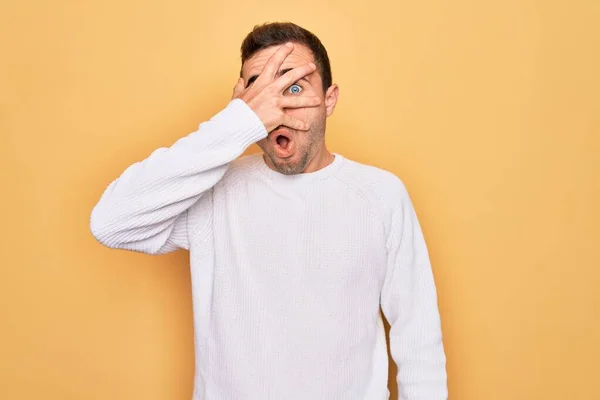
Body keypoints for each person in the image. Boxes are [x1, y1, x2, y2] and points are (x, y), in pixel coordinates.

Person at [90, 22, 447, 400]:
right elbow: (111, 222)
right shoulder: (212, 190)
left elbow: (418, 340)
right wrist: (236, 123)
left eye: (294, 87)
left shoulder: (381, 195)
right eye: (261, 90)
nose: (279, 107)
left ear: (329, 99)